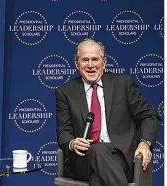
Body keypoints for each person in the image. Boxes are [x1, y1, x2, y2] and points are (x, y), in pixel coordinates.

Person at [55, 38, 160, 186]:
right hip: (83, 158)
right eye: (85, 60)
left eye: (95, 59)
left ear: (104, 62)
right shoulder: (65, 92)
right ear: (77, 64)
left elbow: (149, 115)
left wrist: (144, 144)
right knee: (97, 149)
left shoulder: (123, 84)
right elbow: (63, 131)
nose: (90, 65)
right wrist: (72, 143)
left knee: (98, 181)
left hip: (119, 156)